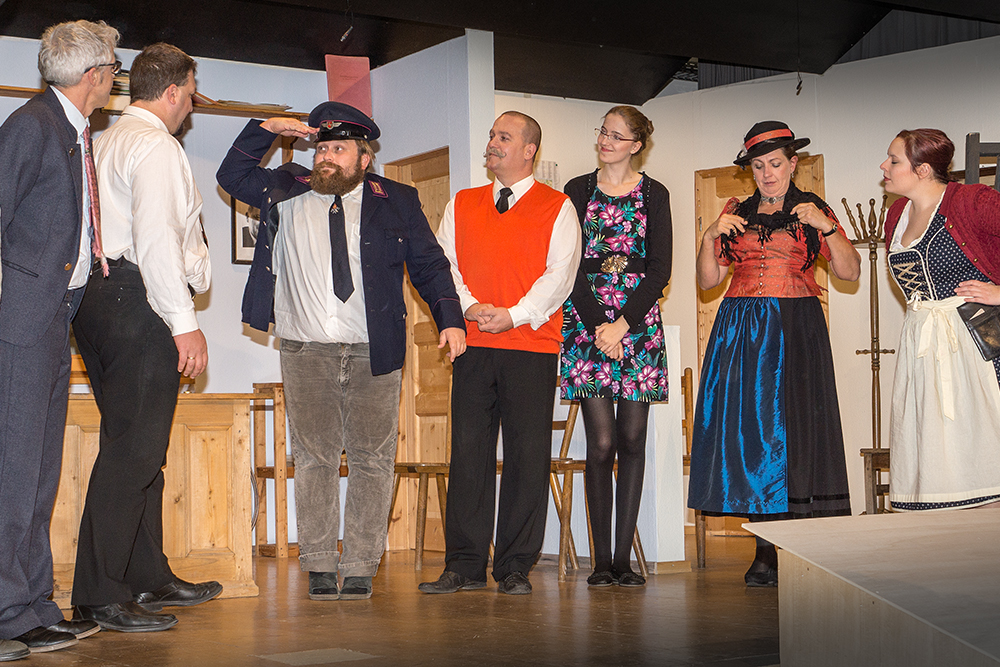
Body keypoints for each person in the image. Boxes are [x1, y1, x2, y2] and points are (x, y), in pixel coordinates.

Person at [217, 102, 466, 601]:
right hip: (305, 349)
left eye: (339, 149)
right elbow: (232, 175)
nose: (326, 156)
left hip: (375, 348)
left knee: (374, 459)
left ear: (364, 158)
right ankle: (318, 563)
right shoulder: (285, 187)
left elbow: (429, 264)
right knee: (314, 458)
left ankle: (360, 565)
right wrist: (266, 128)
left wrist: (450, 318)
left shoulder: (397, 199)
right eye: (321, 148)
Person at [70, 43, 218, 632]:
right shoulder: (155, 145)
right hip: (138, 300)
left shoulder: (105, 141)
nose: (191, 106)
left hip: (98, 301)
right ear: (174, 91)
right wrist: (185, 324)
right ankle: (100, 595)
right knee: (134, 453)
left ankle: (147, 576)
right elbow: (157, 240)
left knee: (135, 446)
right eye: (192, 95)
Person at [687, 121, 861, 587]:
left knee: (797, 429)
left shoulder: (813, 210)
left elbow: (849, 272)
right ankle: (764, 549)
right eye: (759, 166)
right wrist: (708, 236)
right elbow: (708, 281)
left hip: (795, 326)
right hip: (742, 330)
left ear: (793, 164)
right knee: (753, 433)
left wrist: (828, 227)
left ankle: (801, 545)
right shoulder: (734, 211)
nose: (767, 174)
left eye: (776, 164)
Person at [419, 111, 581, 596]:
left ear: (529, 150)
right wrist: (469, 306)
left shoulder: (559, 206)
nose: (492, 143)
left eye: (503, 137)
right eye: (492, 135)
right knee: (468, 455)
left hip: (530, 346)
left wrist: (514, 314)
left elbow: (561, 275)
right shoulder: (462, 202)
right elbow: (444, 264)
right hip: (472, 346)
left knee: (527, 457)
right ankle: (464, 565)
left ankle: (514, 566)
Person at [0, 20, 119, 657]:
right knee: (13, 477)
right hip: (19, 325)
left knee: (39, 477)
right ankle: (6, 613)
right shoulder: (32, 126)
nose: (114, 79)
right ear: (94, 75)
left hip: (52, 319)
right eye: (113, 69)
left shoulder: (71, 131)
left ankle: (33, 606)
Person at [560, 106, 672, 588]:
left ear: (636, 145)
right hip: (588, 323)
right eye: (603, 131)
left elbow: (660, 269)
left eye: (616, 135)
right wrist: (599, 327)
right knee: (601, 444)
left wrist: (622, 325)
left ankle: (624, 561)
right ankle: (601, 562)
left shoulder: (655, 193)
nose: (605, 140)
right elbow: (567, 265)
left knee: (632, 441)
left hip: (638, 325)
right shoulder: (576, 190)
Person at [880, 129, 1000, 511]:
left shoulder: (972, 201)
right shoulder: (897, 214)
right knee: (933, 453)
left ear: (923, 170)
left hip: (974, 346)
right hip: (922, 348)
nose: (884, 166)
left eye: (894, 160)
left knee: (982, 448)